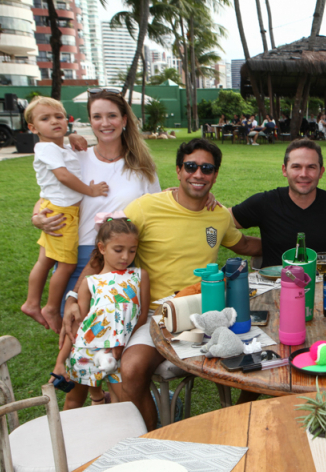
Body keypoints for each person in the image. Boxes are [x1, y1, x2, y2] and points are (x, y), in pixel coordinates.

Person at [62, 139, 261, 429]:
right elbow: (107, 249)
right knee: (131, 369)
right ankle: (153, 439)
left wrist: (286, 244)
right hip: (156, 317)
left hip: (206, 314)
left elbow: (242, 243)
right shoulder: (146, 207)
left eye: (207, 169)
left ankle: (238, 425)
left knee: (258, 356)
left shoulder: (218, 215)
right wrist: (71, 295)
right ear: (179, 170)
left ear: (215, 175)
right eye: (191, 166)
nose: (198, 174)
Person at [33, 89, 161, 407]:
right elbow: (50, 192)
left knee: (113, 358)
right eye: (97, 116)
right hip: (81, 261)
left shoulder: (142, 166)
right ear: (89, 121)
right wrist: (37, 214)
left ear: (124, 120)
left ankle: (110, 414)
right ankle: (75, 427)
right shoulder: (75, 157)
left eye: (112, 115)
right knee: (79, 359)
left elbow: (160, 207)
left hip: (123, 265)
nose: (105, 123)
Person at [21, 96, 110, 333]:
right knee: (67, 265)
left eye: (59, 117)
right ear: (32, 127)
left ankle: (32, 302)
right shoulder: (47, 148)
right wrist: (90, 190)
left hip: (60, 209)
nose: (54, 122)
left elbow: (69, 157)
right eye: (45, 119)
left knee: (46, 259)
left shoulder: (58, 147)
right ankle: (50, 307)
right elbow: (64, 176)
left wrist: (71, 138)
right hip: (62, 214)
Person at [231, 139, 326, 268]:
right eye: (296, 167)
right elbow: (222, 220)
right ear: (285, 170)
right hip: (273, 288)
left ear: (321, 172)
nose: (304, 174)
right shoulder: (265, 202)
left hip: (318, 287)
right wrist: (252, 245)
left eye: (311, 167)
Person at [62, 218, 149, 406]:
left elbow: (142, 316)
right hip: (87, 350)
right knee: (73, 401)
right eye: (118, 250)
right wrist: (60, 360)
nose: (126, 256)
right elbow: (79, 324)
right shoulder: (90, 282)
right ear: (102, 248)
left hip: (118, 352)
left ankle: (117, 432)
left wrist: (122, 344)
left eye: (132, 250)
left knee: (124, 404)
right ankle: (68, 434)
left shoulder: (139, 276)